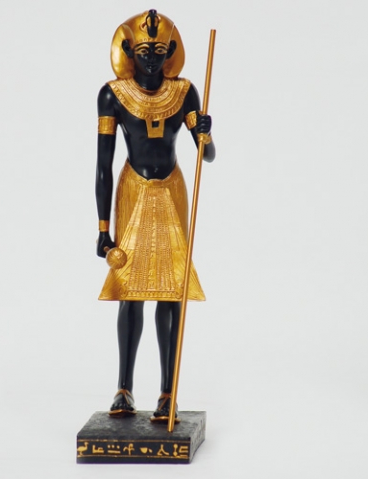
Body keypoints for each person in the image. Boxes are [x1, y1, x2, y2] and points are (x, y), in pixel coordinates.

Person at [95, 9, 215, 422]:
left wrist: (205, 133)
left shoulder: (185, 92)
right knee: (130, 291)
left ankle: (168, 393)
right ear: (129, 51)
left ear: (171, 52)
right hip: (132, 190)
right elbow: (102, 165)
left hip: (171, 190)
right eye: (144, 52)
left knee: (170, 290)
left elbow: (207, 154)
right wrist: (103, 230)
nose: (151, 60)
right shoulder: (112, 94)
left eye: (159, 52)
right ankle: (123, 389)